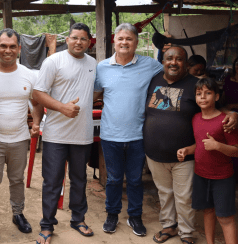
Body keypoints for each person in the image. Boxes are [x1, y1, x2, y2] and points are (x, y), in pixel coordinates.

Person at [144, 46, 237, 244]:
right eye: (169, 58)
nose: (173, 62)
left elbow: (217, 109)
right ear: (163, 61)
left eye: (179, 59)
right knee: (164, 193)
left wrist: (234, 114)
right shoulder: (154, 80)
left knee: (184, 196)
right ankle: (169, 226)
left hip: (185, 154)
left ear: (186, 64)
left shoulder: (195, 85)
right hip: (154, 152)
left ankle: (186, 233)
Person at [94, 23, 163, 236]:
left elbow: (171, 76)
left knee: (134, 180)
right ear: (114, 41)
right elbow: (94, 96)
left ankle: (135, 216)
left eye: (129, 39)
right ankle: (112, 214)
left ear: (136, 42)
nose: (124, 42)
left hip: (138, 134)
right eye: (121, 38)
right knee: (114, 179)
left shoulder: (151, 65)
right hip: (110, 134)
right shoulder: (102, 67)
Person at [33, 23, 97, 244]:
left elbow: (94, 90)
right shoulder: (53, 61)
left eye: (83, 39)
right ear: (67, 40)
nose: (78, 42)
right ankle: (47, 225)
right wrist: (62, 107)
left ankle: (78, 219)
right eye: (74, 38)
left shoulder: (93, 63)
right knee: (52, 181)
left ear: (89, 42)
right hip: (56, 134)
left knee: (79, 179)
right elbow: (38, 93)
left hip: (83, 134)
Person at [0, 28, 43, 244]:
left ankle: (18, 214)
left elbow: (36, 103)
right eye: (4, 46)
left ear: (19, 49)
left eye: (12, 46)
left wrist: (35, 123)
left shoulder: (29, 74)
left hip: (19, 139)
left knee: (17, 180)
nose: (8, 50)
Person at [177, 77, 238, 244]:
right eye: (199, 94)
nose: (202, 97)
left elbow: (236, 150)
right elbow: (200, 144)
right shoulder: (196, 118)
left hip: (222, 178)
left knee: (225, 217)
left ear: (217, 97)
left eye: (208, 93)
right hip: (201, 175)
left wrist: (218, 146)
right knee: (208, 212)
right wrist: (186, 150)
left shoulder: (225, 120)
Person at [222, 56, 238, 181]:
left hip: (234, 110)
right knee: (231, 142)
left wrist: (234, 106)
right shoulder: (228, 79)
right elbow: (223, 98)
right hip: (229, 114)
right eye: (237, 64)